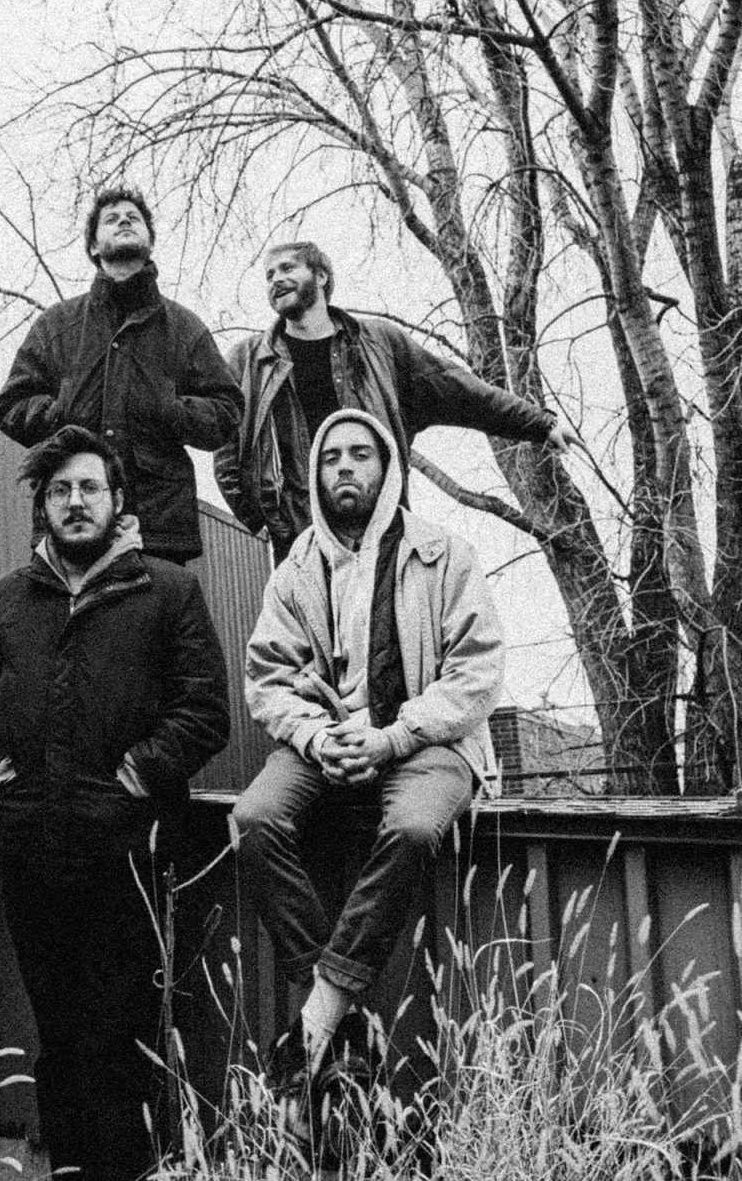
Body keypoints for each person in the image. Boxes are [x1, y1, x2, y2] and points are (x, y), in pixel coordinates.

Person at [0, 425, 231, 1181]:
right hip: (31, 849)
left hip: (128, 852)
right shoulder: (4, 601)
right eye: (60, 491)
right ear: (43, 507)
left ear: (117, 500)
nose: (75, 502)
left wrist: (137, 775)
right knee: (60, 1038)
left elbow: (205, 710)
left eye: (89, 488)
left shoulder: (166, 590)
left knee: (120, 1036)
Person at [233, 409, 504, 1116]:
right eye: (331, 458)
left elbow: (476, 673)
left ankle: (321, 1010)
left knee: (412, 829)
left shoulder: (444, 553)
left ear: (387, 469)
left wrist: (393, 737)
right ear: (316, 474)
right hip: (328, 740)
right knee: (253, 818)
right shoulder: (297, 567)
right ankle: (343, 1013)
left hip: (428, 742)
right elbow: (267, 678)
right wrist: (319, 738)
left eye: (361, 455)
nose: (345, 468)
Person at [215, 240, 582, 561]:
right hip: (301, 541)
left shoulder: (379, 343)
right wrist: (266, 523)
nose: (276, 279)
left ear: (321, 276)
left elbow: (461, 391)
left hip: (381, 530)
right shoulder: (248, 361)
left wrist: (540, 423)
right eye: (269, 275)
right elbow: (226, 452)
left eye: (287, 268)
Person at [0, 186, 243, 564]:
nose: (124, 220)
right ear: (94, 246)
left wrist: (173, 411)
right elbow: (12, 405)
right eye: (111, 219)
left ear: (150, 241)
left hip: (156, 527)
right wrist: (62, 411)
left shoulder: (184, 328)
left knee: (159, 605)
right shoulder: (57, 326)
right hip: (71, 523)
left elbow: (227, 410)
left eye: (133, 217)